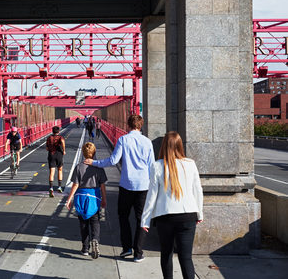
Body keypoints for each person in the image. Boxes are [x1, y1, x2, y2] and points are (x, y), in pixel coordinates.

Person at [84, 114, 155, 262]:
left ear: (128, 125)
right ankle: (138, 252)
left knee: (123, 216)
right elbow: (152, 166)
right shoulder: (148, 142)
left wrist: (94, 163)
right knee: (141, 219)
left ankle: (127, 247)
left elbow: (113, 160)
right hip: (143, 186)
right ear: (141, 125)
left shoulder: (123, 139)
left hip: (126, 185)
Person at [141, 131, 203, 279]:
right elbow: (198, 191)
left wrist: (146, 219)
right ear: (180, 145)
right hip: (188, 214)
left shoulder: (157, 166)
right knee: (186, 257)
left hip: (165, 216)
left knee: (166, 254)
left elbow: (152, 196)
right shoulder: (190, 164)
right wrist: (199, 213)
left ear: (163, 146)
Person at [66, 142, 107, 259]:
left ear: (83, 153)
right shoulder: (98, 168)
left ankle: (85, 248)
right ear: (94, 152)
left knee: (83, 223)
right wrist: (104, 198)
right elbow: (102, 186)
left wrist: (69, 199)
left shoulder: (79, 167)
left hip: (81, 197)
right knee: (95, 221)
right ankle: (95, 239)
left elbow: (75, 184)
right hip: (94, 197)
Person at [46, 126, 66, 197]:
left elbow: (47, 148)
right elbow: (63, 142)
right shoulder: (60, 137)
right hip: (59, 155)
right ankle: (59, 187)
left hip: (51, 155)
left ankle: (51, 188)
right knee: (60, 170)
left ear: (52, 131)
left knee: (52, 172)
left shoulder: (49, 138)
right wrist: (64, 150)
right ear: (59, 131)